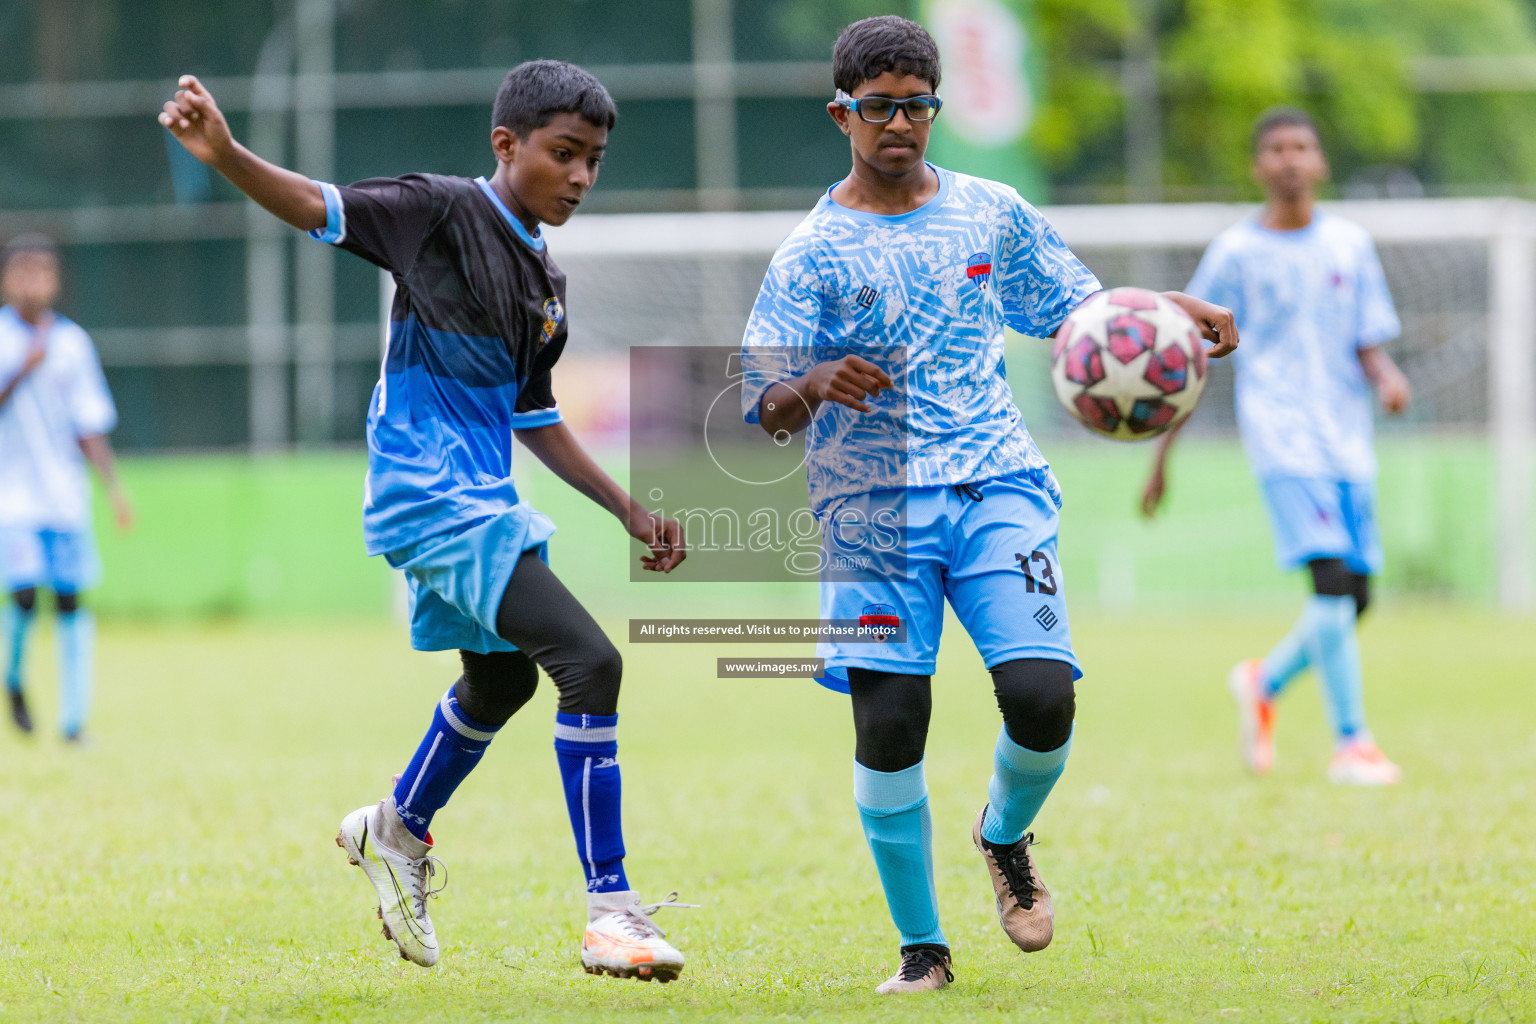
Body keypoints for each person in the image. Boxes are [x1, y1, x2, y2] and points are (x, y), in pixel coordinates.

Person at [160, 60, 693, 980]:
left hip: (481, 499)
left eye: (594, 161)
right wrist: (228, 153)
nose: (579, 177)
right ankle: (612, 912)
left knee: (503, 686)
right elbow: (318, 206)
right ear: (506, 144)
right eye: (563, 154)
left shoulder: (547, 287)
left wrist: (629, 510)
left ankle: (395, 830)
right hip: (428, 495)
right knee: (589, 662)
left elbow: (533, 421)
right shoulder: (438, 210)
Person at [739, 16, 1236, 993]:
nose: (898, 124)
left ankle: (1003, 836)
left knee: (1044, 697)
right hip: (871, 506)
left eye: (915, 105)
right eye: (877, 106)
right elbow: (764, 407)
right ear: (842, 113)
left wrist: (1172, 305)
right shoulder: (812, 253)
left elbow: (1079, 315)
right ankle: (923, 951)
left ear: (934, 109)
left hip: (996, 481)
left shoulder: (991, 212)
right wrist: (816, 379)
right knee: (892, 723)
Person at [1142, 107, 1410, 787]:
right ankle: (1353, 744)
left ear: (1320, 162)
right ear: (1259, 165)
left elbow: (1367, 342)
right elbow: (1190, 355)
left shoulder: (1350, 244)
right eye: (1277, 149)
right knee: (1328, 586)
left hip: (1347, 440)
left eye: (1302, 147)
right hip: (1281, 438)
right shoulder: (1235, 253)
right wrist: (1161, 458)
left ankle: (1263, 683)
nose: (1290, 159)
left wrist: (1387, 378)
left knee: (1356, 599)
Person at [0, 233, 134, 743]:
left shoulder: (74, 344)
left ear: (55, 281)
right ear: (7, 279)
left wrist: (114, 490)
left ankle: (74, 722)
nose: (32, 282)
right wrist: (20, 371)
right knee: (26, 594)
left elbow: (90, 426)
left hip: (64, 496)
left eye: (42, 272)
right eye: (22, 271)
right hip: (11, 496)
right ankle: (13, 681)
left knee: (72, 601)